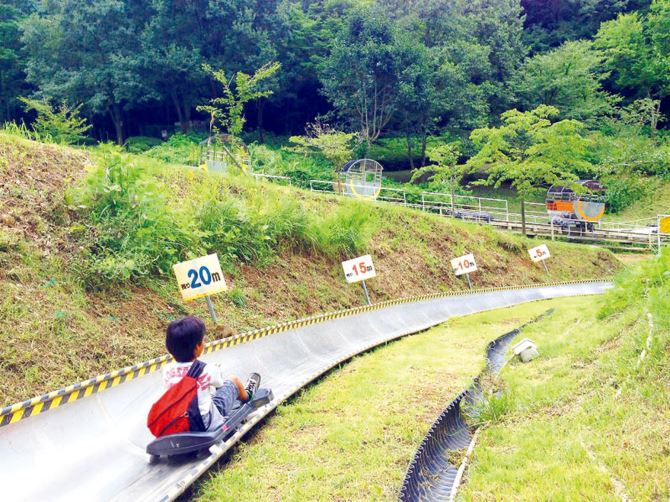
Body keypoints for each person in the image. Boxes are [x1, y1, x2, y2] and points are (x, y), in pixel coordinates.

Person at [162, 316, 260, 432]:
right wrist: (216, 369)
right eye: (203, 340)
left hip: (180, 425)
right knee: (233, 381)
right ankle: (248, 395)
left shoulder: (167, 370)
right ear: (198, 347)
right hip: (205, 424)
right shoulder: (207, 369)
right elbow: (219, 383)